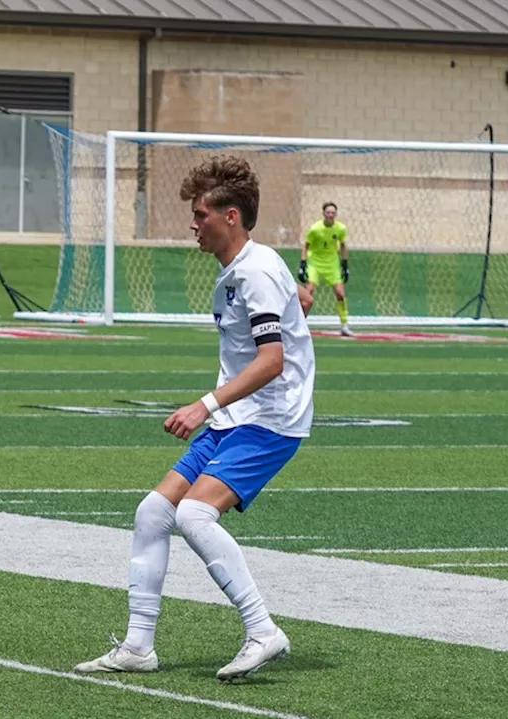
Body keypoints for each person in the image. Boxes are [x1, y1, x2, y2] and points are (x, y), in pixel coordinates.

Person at [75, 155, 314, 682]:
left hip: (270, 419)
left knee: (193, 515)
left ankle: (262, 629)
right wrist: (297, 302)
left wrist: (204, 404)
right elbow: (276, 319)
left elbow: (272, 362)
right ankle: (139, 645)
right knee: (152, 513)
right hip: (238, 418)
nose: (192, 223)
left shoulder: (252, 272)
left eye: (201, 213)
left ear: (231, 217)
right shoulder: (243, 271)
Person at [299, 202, 352, 337]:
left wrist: (345, 265)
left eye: (333, 213)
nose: (330, 215)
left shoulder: (340, 228)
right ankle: (299, 324)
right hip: (315, 262)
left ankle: (344, 325)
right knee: (308, 291)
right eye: (328, 212)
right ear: (323, 213)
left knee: (340, 293)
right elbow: (306, 245)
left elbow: (343, 245)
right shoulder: (315, 228)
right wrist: (303, 264)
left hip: (332, 262)